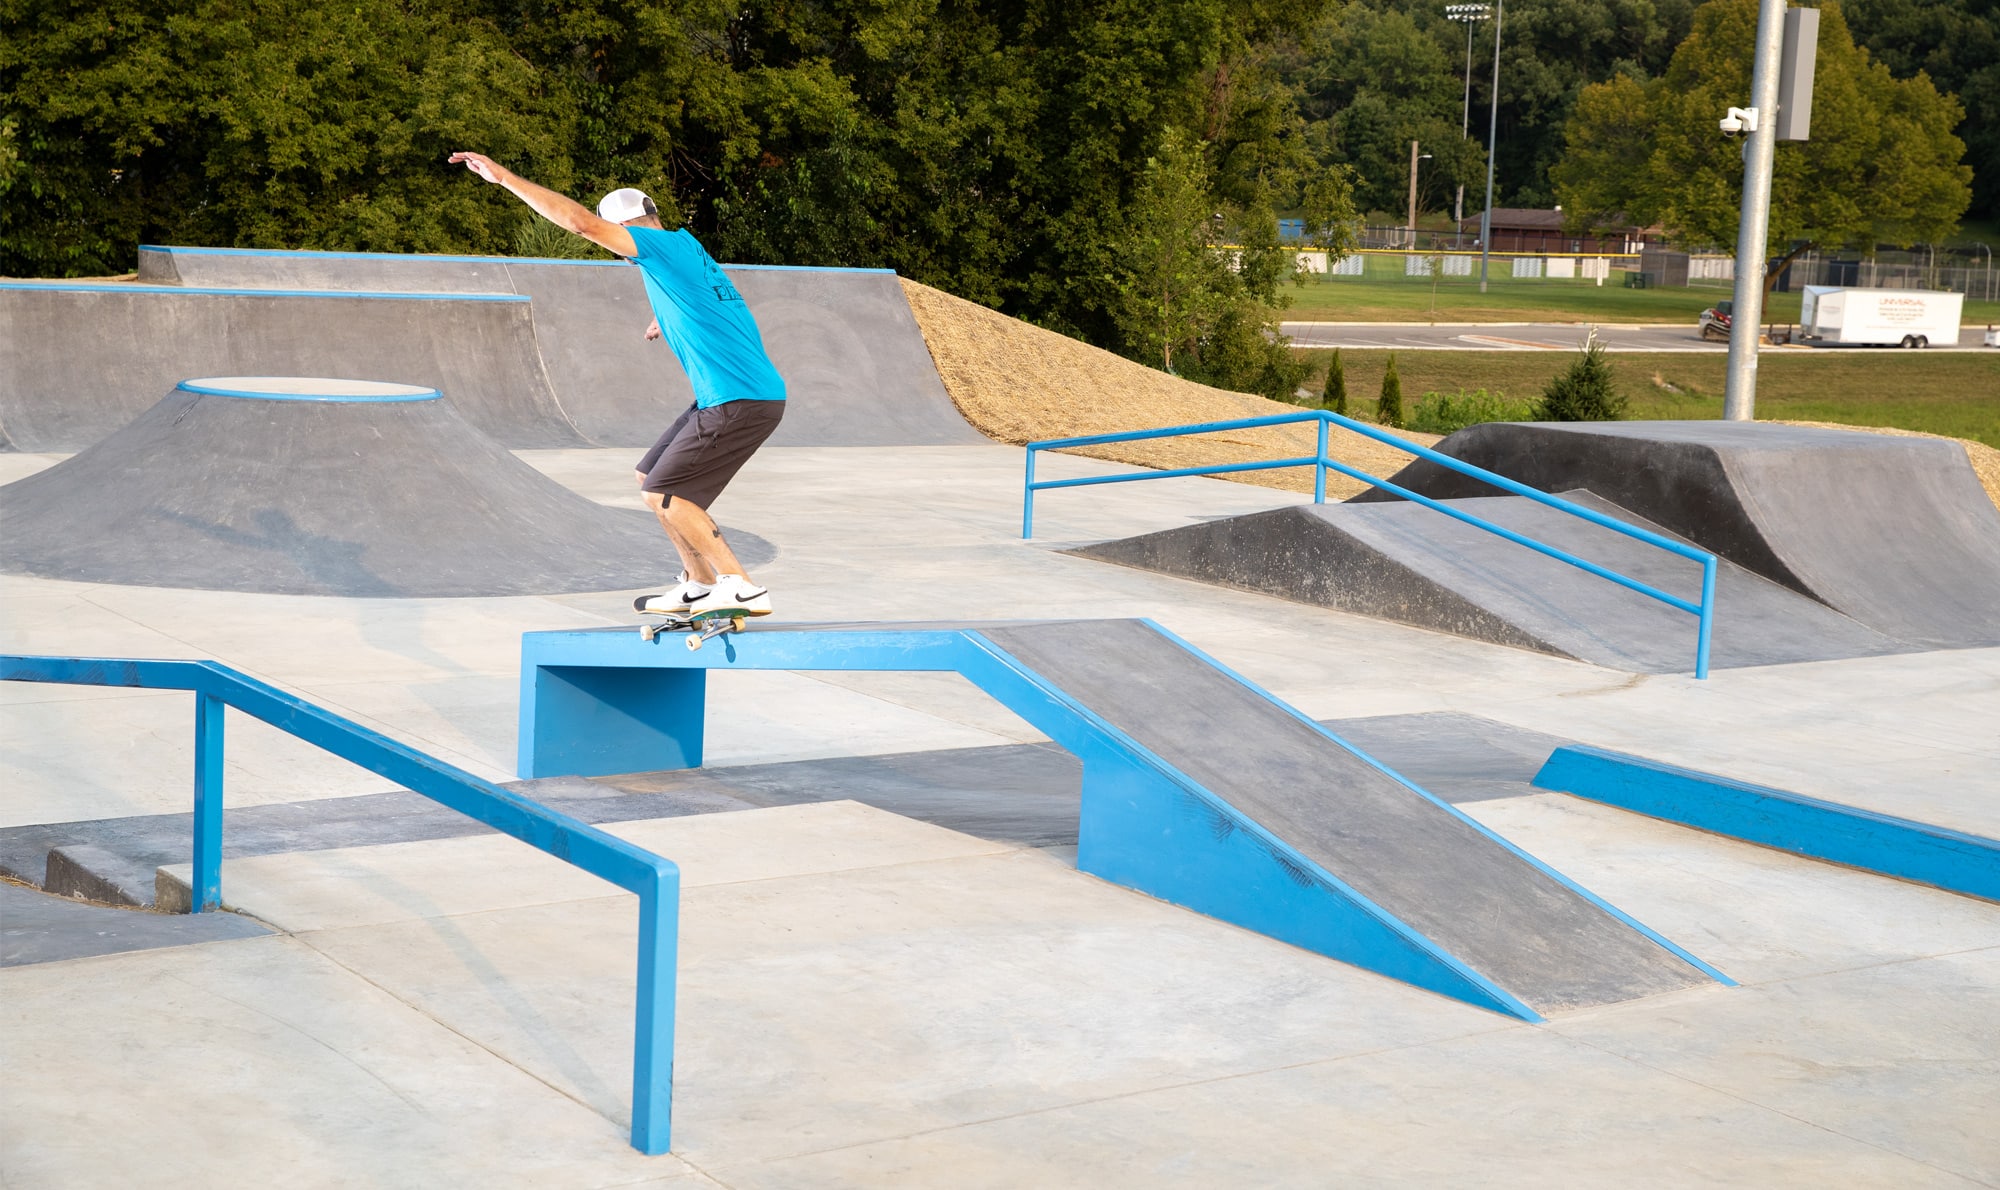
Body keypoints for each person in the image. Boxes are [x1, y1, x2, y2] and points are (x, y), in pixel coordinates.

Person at [449, 151, 783, 618]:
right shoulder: (684, 252)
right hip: (732, 395)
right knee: (650, 476)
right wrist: (663, 319)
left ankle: (741, 586)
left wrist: (505, 179)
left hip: (739, 398)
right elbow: (709, 302)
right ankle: (699, 583)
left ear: (626, 231)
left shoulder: (656, 246)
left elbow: (581, 223)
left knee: (668, 492)